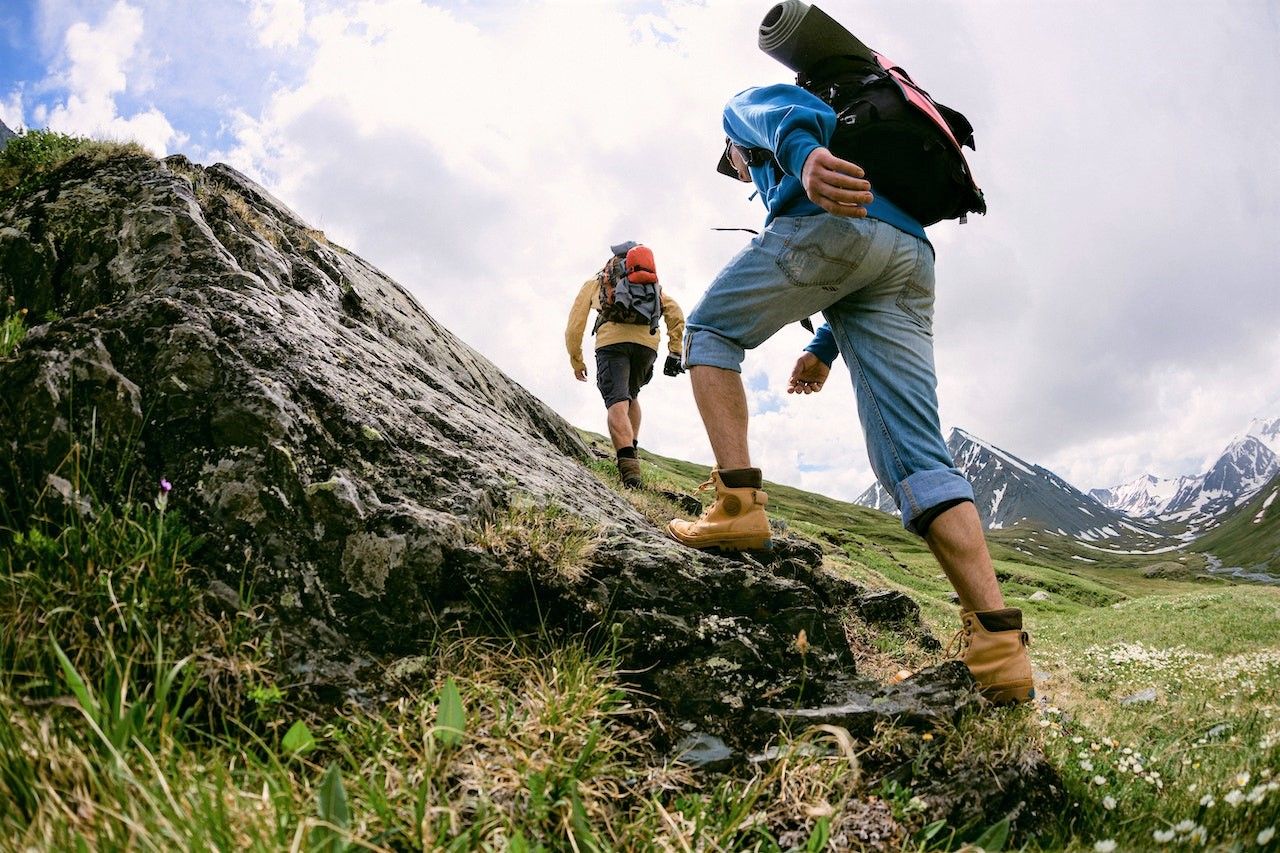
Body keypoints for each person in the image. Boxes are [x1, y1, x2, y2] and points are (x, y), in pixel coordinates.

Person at [666, 82, 1034, 704]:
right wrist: (822, 349)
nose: (736, 170)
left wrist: (805, 159)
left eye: (732, 165)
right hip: (911, 254)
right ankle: (999, 652)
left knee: (708, 333)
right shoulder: (878, 163)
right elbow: (863, 267)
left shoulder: (744, 116)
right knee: (918, 458)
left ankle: (736, 509)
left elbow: (782, 110)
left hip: (831, 224)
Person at [565, 243, 686, 489]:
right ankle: (632, 449)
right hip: (646, 347)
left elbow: (575, 325)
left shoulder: (597, 283)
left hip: (612, 345)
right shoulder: (652, 286)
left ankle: (630, 473)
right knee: (631, 396)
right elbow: (675, 313)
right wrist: (675, 349)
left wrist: (576, 359)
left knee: (617, 403)